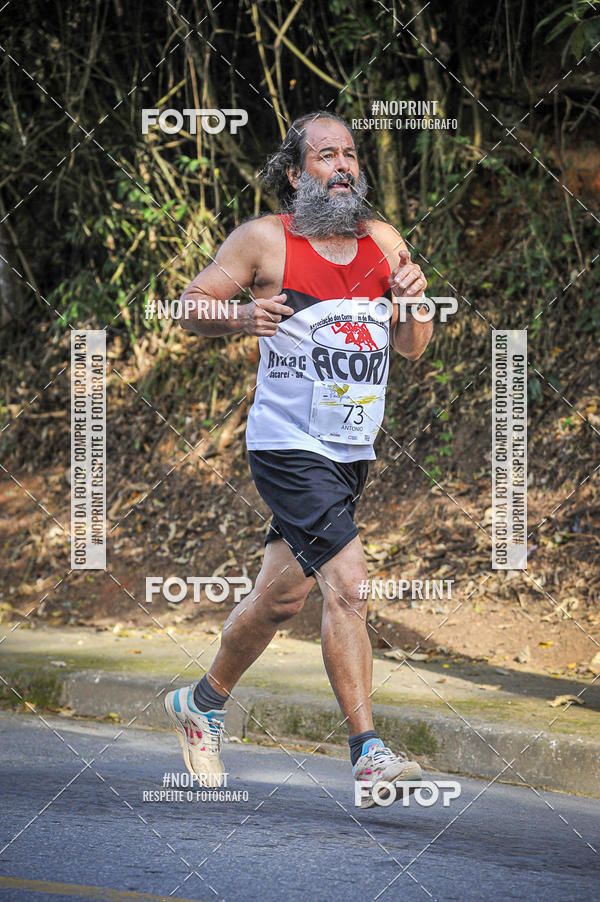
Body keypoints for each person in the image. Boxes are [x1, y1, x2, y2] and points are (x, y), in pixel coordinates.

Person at [165, 111, 433, 808]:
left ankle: (202, 701)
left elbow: (412, 347)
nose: (342, 166)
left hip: (350, 452)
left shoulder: (384, 242)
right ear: (296, 173)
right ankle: (368, 752)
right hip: (286, 446)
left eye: (350, 155)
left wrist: (415, 303)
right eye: (325, 156)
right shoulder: (265, 241)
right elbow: (190, 305)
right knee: (348, 583)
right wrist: (236, 318)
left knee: (282, 597)